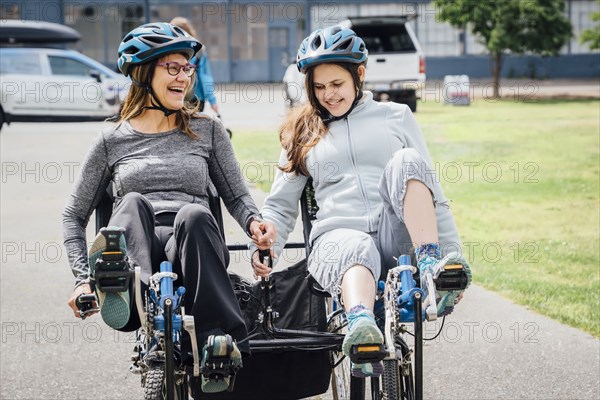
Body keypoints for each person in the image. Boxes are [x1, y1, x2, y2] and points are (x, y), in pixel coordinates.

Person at [250, 26, 472, 378]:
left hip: (396, 238)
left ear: (360, 75)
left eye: (336, 84)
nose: (328, 95)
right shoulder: (301, 131)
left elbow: (431, 192)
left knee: (409, 161)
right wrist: (267, 245)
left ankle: (432, 270)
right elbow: (280, 204)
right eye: (318, 87)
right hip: (338, 241)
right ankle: (361, 329)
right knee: (356, 247)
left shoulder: (396, 116)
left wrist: (450, 258)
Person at [64, 22, 273, 394]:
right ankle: (126, 295)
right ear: (144, 74)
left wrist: (255, 223)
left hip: (192, 245)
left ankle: (218, 343)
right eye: (172, 68)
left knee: (192, 214)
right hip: (136, 246)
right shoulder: (112, 139)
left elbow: (237, 196)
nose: (184, 77)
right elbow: (73, 215)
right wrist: (82, 277)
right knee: (130, 202)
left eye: (188, 68)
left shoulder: (207, 129)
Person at [170, 17, 220, 114]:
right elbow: (206, 77)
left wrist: (212, 100)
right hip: (196, 98)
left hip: (177, 95)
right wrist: (212, 101)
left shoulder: (169, 51)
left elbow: (205, 77)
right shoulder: (199, 51)